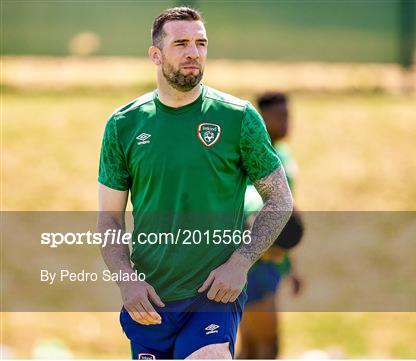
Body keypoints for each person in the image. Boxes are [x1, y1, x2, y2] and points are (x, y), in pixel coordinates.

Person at [97, 7, 292, 360]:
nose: (193, 52)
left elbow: (280, 200)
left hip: (214, 297)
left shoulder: (239, 118)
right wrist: (126, 279)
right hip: (151, 300)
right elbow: (109, 220)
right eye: (181, 43)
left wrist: (240, 263)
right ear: (155, 55)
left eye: (201, 43)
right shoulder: (123, 125)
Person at [237, 92, 304, 359]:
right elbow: (252, 209)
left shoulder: (284, 154)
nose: (286, 122)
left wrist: (291, 266)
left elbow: (287, 219)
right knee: (267, 348)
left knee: (252, 348)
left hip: (272, 258)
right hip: (256, 262)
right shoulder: (251, 154)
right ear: (261, 119)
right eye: (279, 116)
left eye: (288, 115)